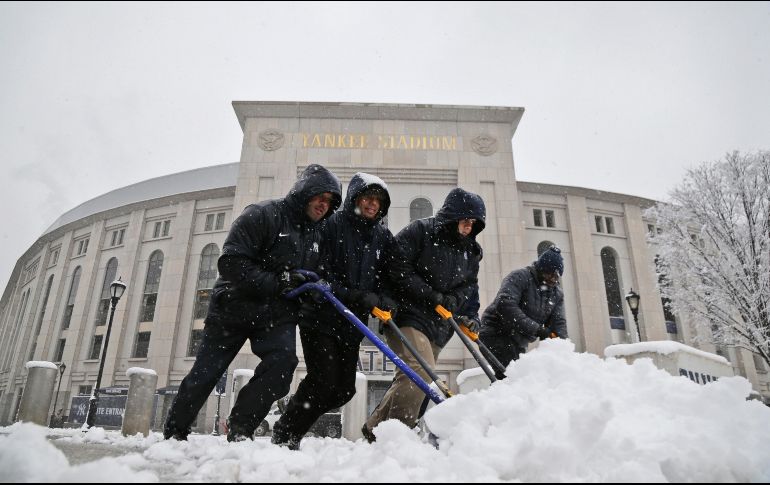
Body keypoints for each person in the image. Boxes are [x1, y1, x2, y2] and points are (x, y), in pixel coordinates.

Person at [163, 164, 342, 442]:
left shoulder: (318, 236)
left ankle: (241, 428)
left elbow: (318, 275)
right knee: (207, 372)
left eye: (330, 201)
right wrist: (280, 280)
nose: (324, 204)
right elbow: (231, 263)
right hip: (233, 307)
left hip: (276, 314)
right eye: (320, 196)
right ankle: (175, 431)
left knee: (283, 364)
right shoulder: (263, 215)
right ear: (304, 192)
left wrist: (317, 287)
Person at [271, 173, 397, 450]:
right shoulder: (332, 225)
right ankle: (286, 432)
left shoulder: (382, 236)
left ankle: (293, 413)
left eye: (378, 200)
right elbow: (319, 271)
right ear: (355, 198)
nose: (372, 205)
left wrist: (384, 299)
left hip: (352, 323)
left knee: (344, 390)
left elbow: (389, 276)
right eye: (367, 198)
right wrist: (355, 295)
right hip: (321, 315)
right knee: (324, 381)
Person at [362, 188, 485, 442]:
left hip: (440, 326)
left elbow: (470, 288)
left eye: (473, 223)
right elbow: (396, 266)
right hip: (408, 314)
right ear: (452, 217)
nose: (467, 227)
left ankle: (375, 429)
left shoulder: (471, 251)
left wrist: (468, 312)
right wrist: (430, 295)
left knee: (411, 375)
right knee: (420, 372)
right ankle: (398, 437)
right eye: (464, 220)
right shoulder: (421, 232)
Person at [478, 245, 568, 370]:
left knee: (516, 377)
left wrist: (563, 349)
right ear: (541, 270)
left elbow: (559, 322)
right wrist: (537, 330)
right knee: (510, 376)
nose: (553, 279)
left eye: (556, 276)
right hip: (495, 333)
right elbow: (505, 304)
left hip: (519, 341)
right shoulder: (520, 277)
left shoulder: (556, 294)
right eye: (550, 274)